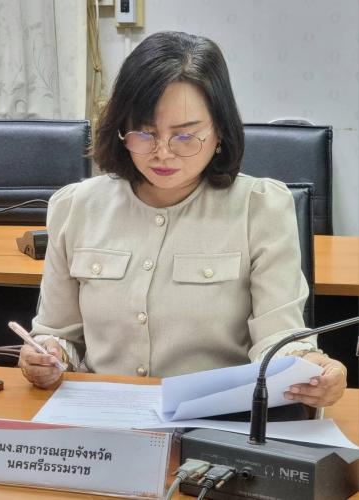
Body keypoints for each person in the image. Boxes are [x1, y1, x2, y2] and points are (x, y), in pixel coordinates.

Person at [19, 31, 346, 409]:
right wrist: (47, 354)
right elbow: (59, 333)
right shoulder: (75, 206)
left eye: (185, 136)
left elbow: (279, 337)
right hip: (104, 413)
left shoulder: (260, 208)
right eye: (144, 133)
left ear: (220, 132)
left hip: (214, 416)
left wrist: (309, 364)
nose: (162, 153)